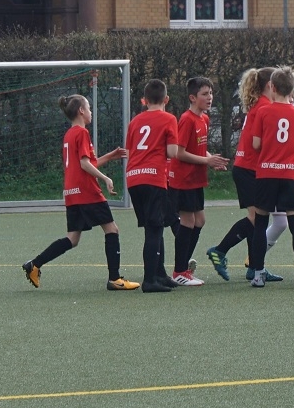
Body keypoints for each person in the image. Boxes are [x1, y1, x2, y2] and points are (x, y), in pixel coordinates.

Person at [21, 94, 137, 291]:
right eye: (89, 108)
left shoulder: (69, 134)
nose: (91, 112)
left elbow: (87, 163)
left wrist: (110, 156)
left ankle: (34, 264)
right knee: (112, 230)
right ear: (81, 111)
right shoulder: (82, 133)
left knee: (72, 239)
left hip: (72, 192)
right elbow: (85, 164)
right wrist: (106, 178)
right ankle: (115, 279)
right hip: (87, 191)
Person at [205, 67, 287, 283]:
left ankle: (255, 267)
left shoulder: (260, 105)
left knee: (258, 219)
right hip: (249, 169)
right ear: (271, 85)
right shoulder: (265, 107)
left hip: (249, 168)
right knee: (256, 219)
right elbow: (261, 143)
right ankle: (219, 251)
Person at [249, 66, 294, 288]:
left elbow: (256, 144)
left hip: (266, 173)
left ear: (273, 87)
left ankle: (258, 274)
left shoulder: (263, 112)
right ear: (292, 90)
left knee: (260, 224)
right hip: (290, 174)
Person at [168, 77, 230, 286]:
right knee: (188, 222)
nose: (209, 97)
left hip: (196, 179)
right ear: (192, 98)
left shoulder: (204, 119)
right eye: (204, 94)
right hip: (183, 179)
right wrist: (207, 161)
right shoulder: (187, 119)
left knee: (200, 221)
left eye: (211, 93)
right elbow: (179, 152)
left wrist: (212, 161)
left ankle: (183, 266)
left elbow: (200, 149)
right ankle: (179, 271)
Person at [125, 79, 181, 293]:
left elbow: (129, 152)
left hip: (134, 178)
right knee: (154, 230)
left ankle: (160, 273)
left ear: (144, 100)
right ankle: (149, 280)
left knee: (155, 226)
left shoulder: (135, 121)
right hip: (154, 178)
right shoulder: (169, 118)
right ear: (166, 99)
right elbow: (172, 152)